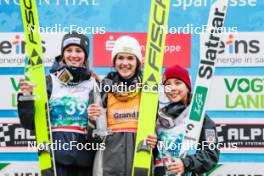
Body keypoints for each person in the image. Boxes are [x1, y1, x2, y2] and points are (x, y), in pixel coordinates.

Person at [17, 32, 100, 176]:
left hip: (85, 162)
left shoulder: (93, 84)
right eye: (69, 50)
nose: (73, 55)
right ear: (63, 54)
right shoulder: (49, 81)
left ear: (85, 56)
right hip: (55, 162)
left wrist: (95, 122)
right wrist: (27, 98)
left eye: (78, 51)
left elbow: (99, 129)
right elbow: (29, 123)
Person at [88, 36, 157, 176]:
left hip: (140, 165)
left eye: (130, 58)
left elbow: (158, 134)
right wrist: (92, 121)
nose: (125, 63)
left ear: (137, 62)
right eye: (120, 58)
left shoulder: (148, 91)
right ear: (114, 61)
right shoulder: (102, 90)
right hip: (107, 167)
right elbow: (92, 139)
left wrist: (155, 140)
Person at [154, 65, 219, 176]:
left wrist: (186, 163)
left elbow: (211, 154)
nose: (172, 88)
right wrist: (152, 145)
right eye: (168, 84)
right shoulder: (159, 118)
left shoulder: (199, 117)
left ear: (187, 87)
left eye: (178, 83)